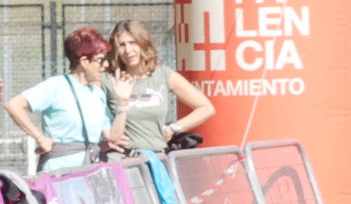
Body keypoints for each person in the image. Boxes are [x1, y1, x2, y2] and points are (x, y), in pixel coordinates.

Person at [5, 27, 130, 172]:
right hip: (59, 172)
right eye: (101, 60)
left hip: (90, 171)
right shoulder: (56, 86)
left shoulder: (97, 93)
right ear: (84, 61)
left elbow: (112, 137)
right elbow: (13, 105)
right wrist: (40, 138)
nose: (106, 65)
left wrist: (123, 102)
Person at [103, 19, 214, 154]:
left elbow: (206, 108)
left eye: (133, 43)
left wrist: (174, 128)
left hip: (158, 157)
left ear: (143, 43)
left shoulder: (163, 74)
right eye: (122, 45)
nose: (128, 50)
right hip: (125, 160)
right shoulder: (108, 80)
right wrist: (105, 139)